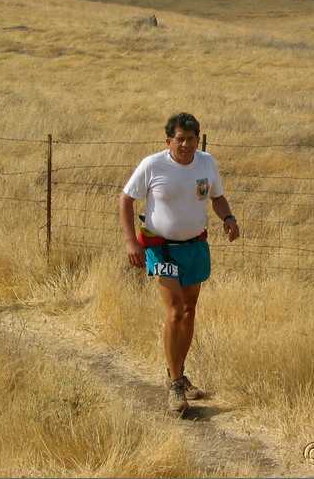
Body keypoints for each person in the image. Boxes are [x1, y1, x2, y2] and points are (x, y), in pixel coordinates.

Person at [119, 112, 240, 415]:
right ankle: (175, 386)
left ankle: (179, 373)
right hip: (162, 249)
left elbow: (217, 197)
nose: (185, 144)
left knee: (189, 310)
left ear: (198, 139)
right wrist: (131, 241)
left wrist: (228, 217)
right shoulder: (152, 165)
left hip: (195, 246)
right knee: (175, 311)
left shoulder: (207, 163)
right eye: (180, 139)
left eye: (191, 139)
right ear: (168, 141)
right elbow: (126, 199)